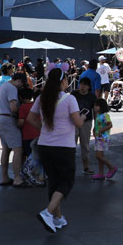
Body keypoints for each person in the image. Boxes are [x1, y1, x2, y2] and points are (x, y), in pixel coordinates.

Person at [27, 68, 83, 233]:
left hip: (45, 145)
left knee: (54, 181)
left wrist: (43, 128)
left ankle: (57, 218)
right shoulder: (69, 99)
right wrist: (84, 118)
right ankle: (48, 212)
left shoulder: (42, 98)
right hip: (64, 147)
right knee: (67, 181)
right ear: (62, 82)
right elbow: (78, 123)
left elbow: (30, 118)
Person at [0, 72, 28, 187]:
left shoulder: (2, 87)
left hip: (0, 118)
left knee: (6, 149)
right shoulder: (12, 88)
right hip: (9, 119)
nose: (21, 87)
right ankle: (17, 178)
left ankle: (4, 177)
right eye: (22, 84)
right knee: (18, 149)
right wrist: (24, 109)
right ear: (18, 80)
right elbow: (13, 107)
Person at [73, 77, 97, 174]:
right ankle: (70, 167)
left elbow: (95, 112)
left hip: (86, 122)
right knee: (71, 145)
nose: (82, 87)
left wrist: (96, 125)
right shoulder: (74, 94)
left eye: (85, 85)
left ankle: (86, 167)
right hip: (74, 122)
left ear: (88, 87)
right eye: (81, 84)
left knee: (85, 145)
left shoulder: (92, 97)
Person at [17, 86, 40, 180]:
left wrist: (17, 125)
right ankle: (38, 174)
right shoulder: (36, 105)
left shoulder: (22, 107)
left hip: (27, 135)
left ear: (21, 97)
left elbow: (21, 122)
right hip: (38, 134)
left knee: (28, 155)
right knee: (37, 155)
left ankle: (28, 173)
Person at [92, 98, 116, 179]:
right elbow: (97, 125)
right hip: (99, 138)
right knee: (100, 156)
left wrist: (101, 130)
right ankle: (101, 173)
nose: (95, 107)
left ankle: (111, 167)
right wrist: (94, 130)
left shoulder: (105, 115)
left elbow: (110, 125)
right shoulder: (97, 115)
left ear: (101, 107)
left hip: (103, 138)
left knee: (98, 156)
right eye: (94, 105)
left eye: (97, 106)